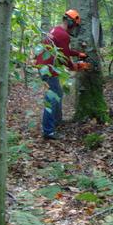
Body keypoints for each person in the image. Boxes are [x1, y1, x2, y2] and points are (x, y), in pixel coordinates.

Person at [34, 9, 90, 140]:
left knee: (57, 94)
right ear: (70, 23)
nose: (74, 29)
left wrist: (78, 54)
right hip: (48, 69)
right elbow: (64, 57)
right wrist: (75, 67)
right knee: (52, 99)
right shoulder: (63, 35)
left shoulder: (56, 30)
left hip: (45, 66)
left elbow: (63, 50)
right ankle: (48, 131)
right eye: (74, 25)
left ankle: (57, 121)